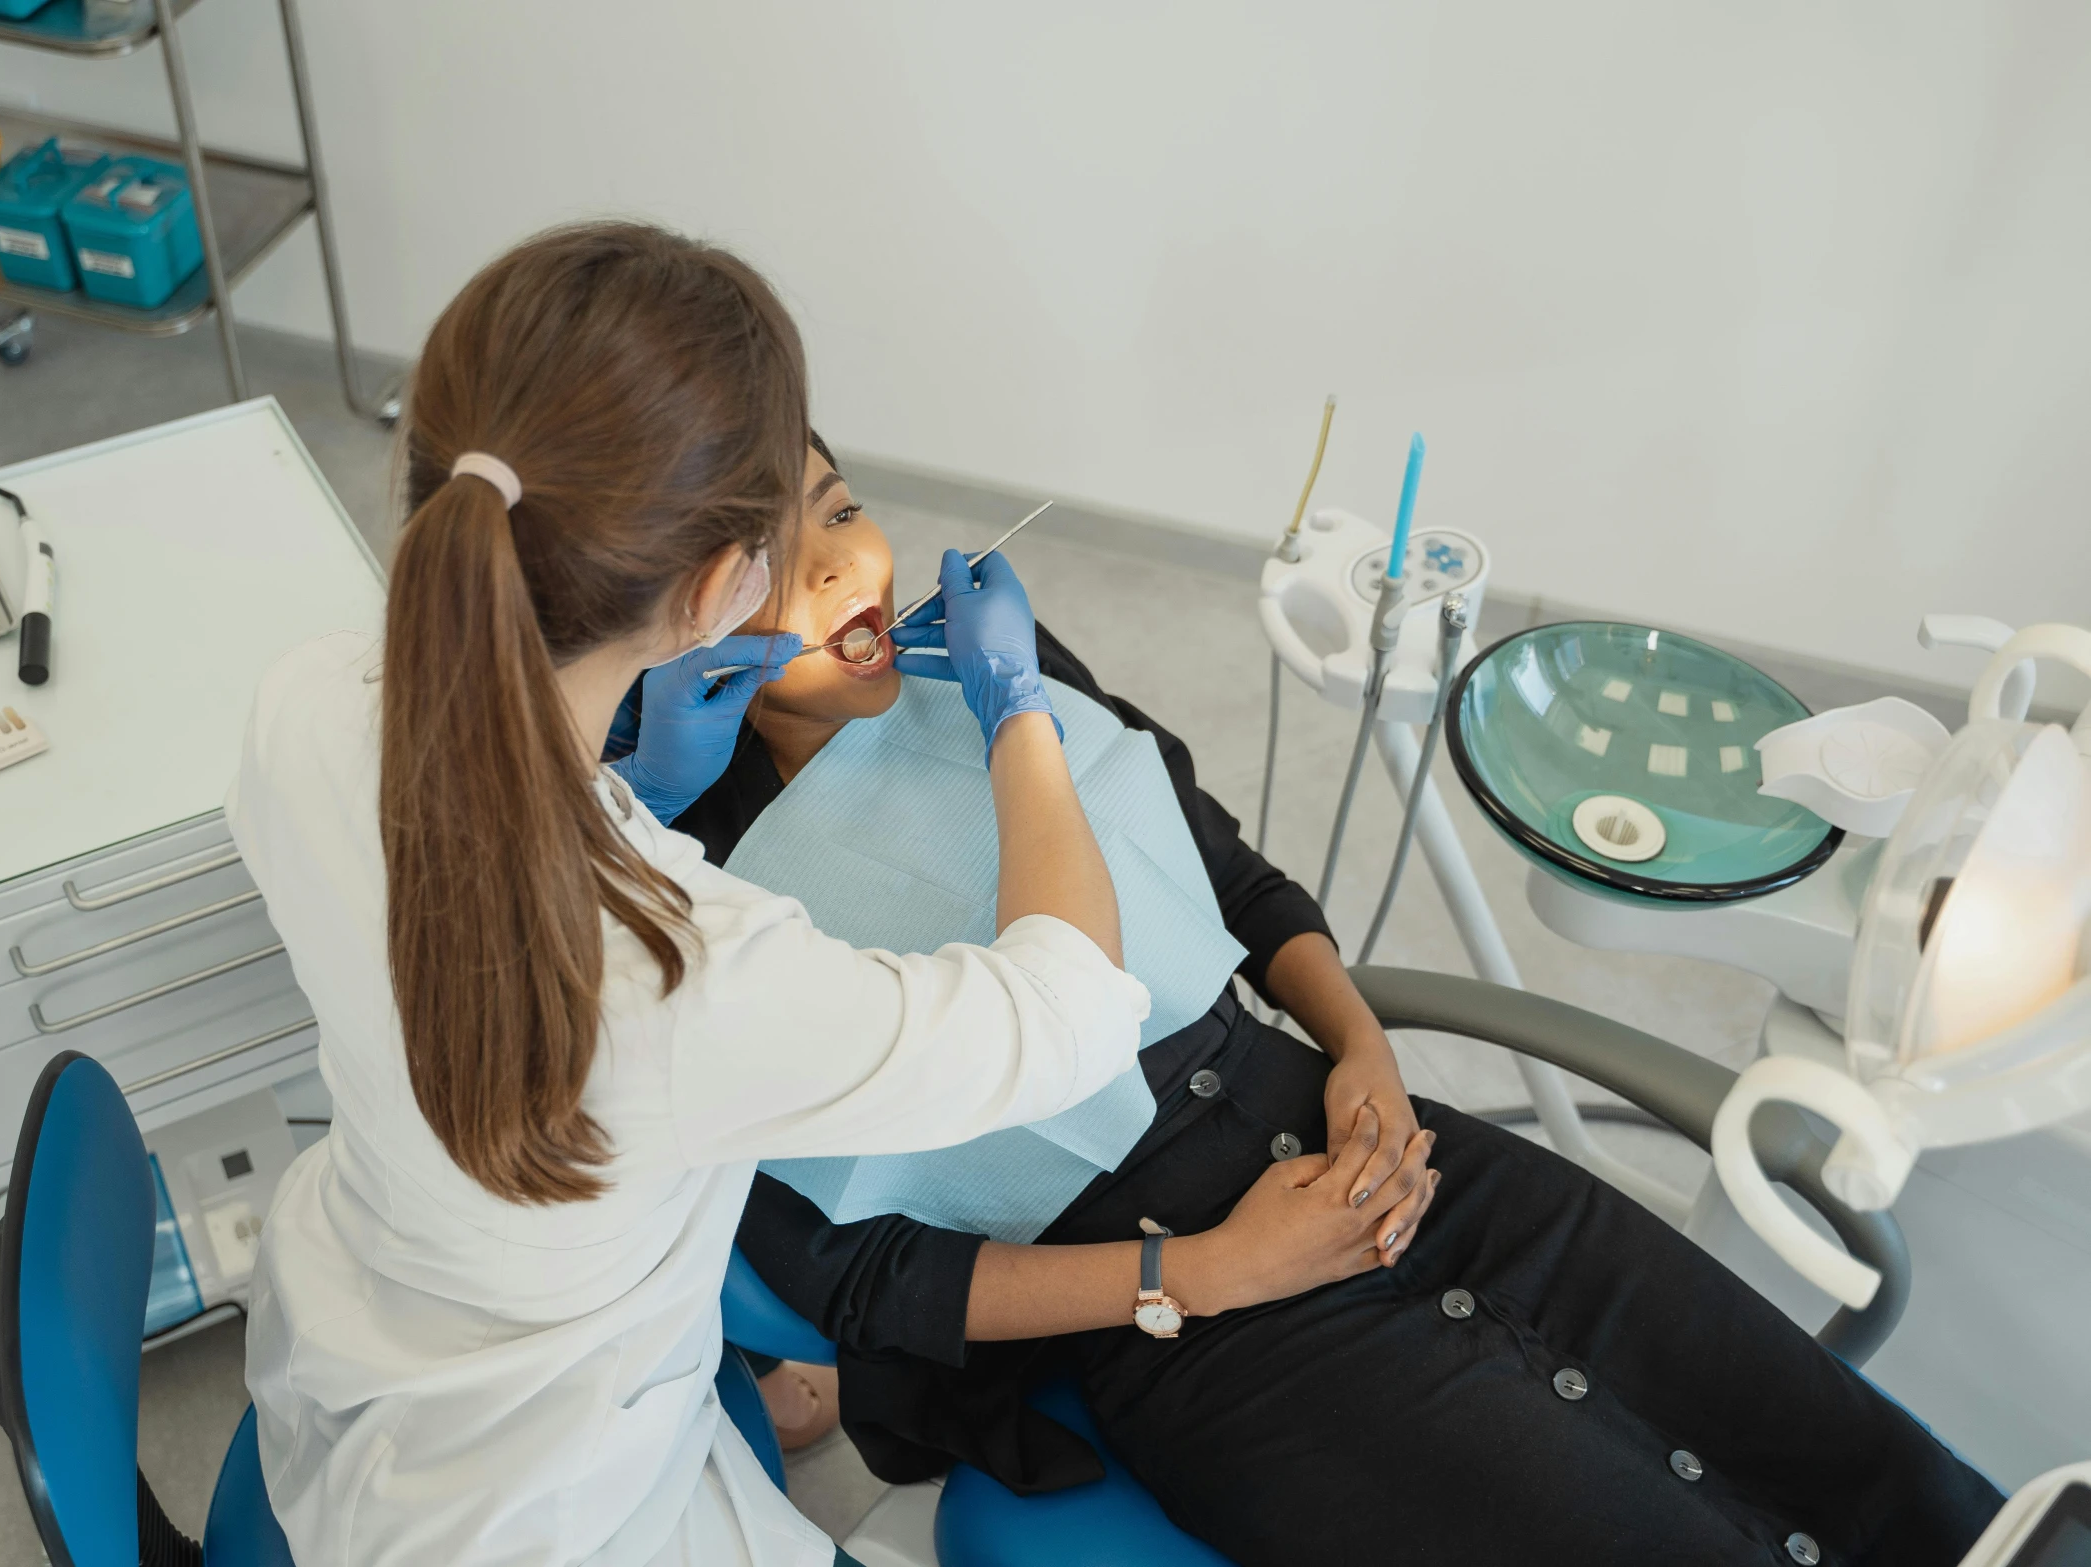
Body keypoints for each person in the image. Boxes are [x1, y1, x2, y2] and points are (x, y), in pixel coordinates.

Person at [661, 437, 2006, 1567]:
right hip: (1181, 1326)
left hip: (1370, 1144)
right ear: (672, 609)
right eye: (772, 556)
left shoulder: (989, 665)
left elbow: (1227, 873)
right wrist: (1198, 1271)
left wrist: (1357, 1043)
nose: (842, 561)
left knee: (1850, 1455)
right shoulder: (701, 896)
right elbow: (861, 1279)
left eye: (838, 503)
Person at [224, 225, 1155, 1567]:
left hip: (367, 1339)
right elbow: (1071, 1010)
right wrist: (1021, 714)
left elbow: (468, 911)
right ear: (720, 590)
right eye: (787, 529)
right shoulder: (688, 972)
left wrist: (630, 799)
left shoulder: (302, 703)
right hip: (550, 1510)